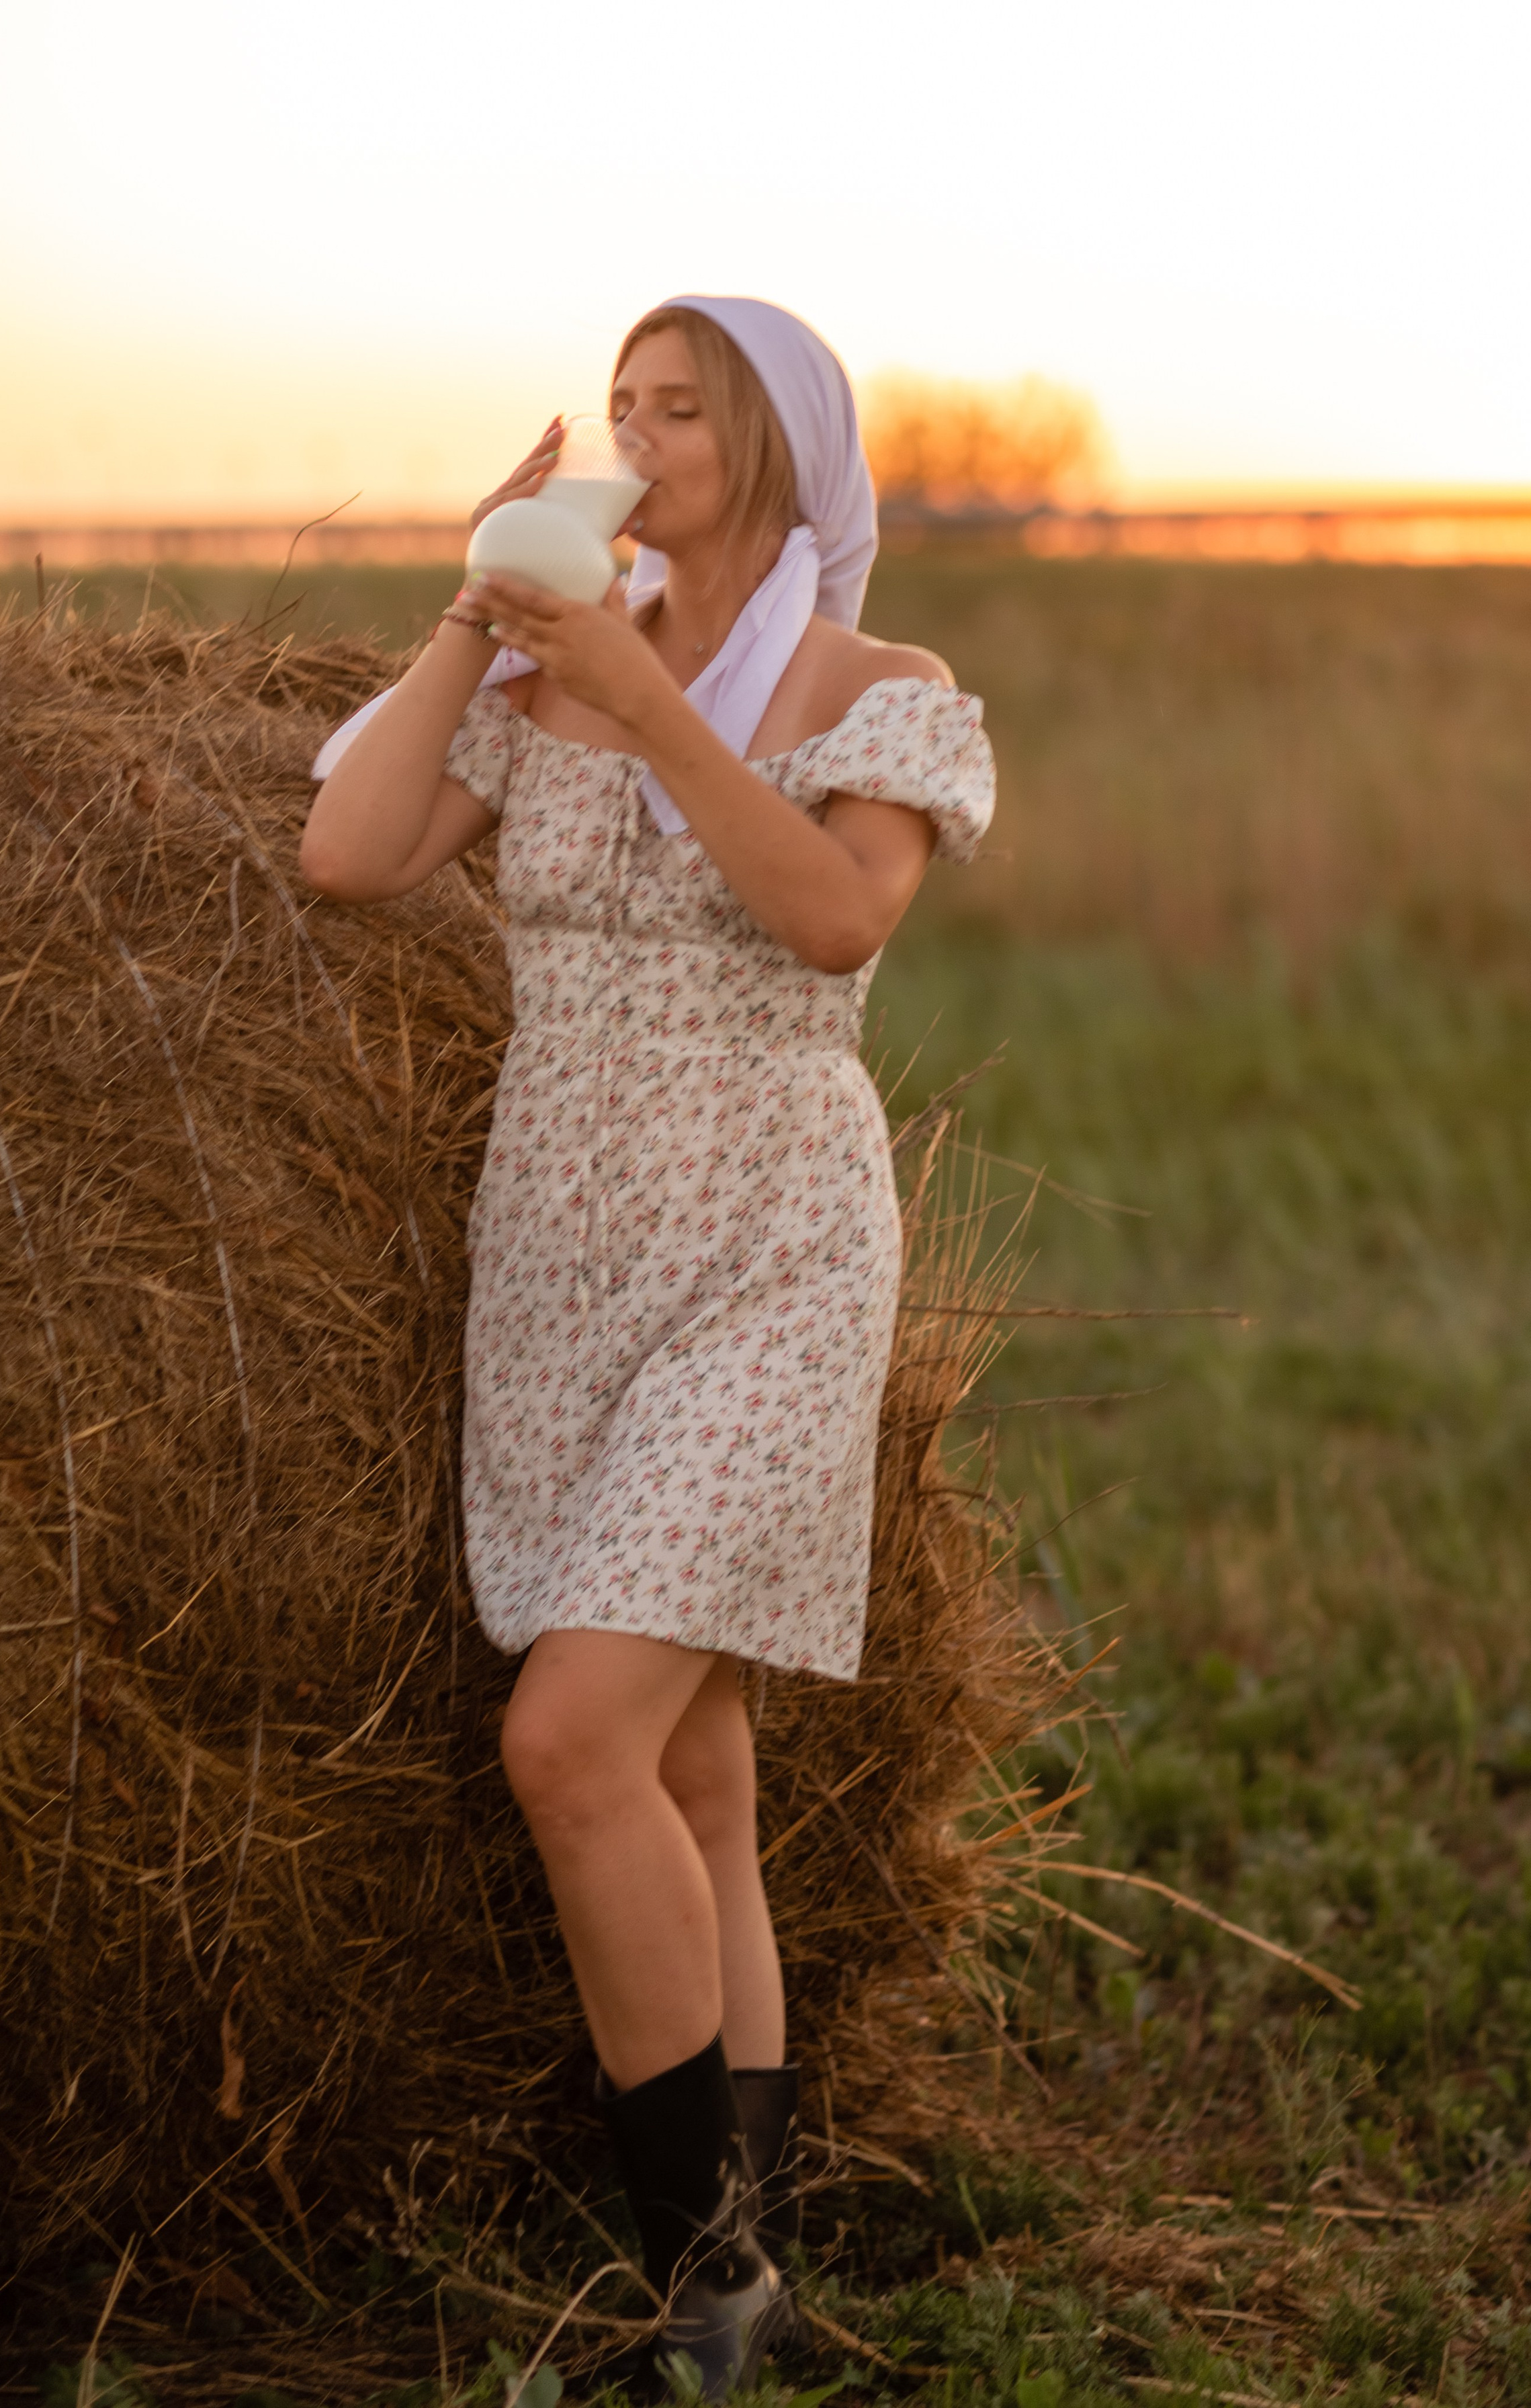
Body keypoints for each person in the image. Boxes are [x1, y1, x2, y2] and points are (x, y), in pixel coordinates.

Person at [300, 296, 995, 2400]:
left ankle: (705, 2304)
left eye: (683, 407)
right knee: (695, 1771)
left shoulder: (888, 691)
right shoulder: (538, 682)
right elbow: (346, 855)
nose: (641, 433)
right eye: (622, 406)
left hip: (769, 1256)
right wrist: (476, 617)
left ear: (781, 449)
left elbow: (832, 916)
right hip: (562, 1263)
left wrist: (653, 695)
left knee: (569, 1742)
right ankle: (749, 2308)